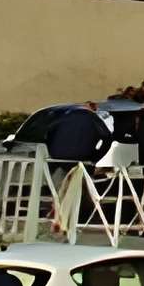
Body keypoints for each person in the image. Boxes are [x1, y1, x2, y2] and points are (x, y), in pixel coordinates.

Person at [41, 99, 111, 234]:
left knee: (60, 189)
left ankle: (58, 217)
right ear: (92, 108)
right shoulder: (93, 119)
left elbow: (48, 134)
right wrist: (95, 157)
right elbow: (107, 138)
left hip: (59, 160)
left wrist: (53, 153)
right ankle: (71, 221)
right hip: (81, 160)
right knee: (79, 192)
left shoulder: (63, 117)